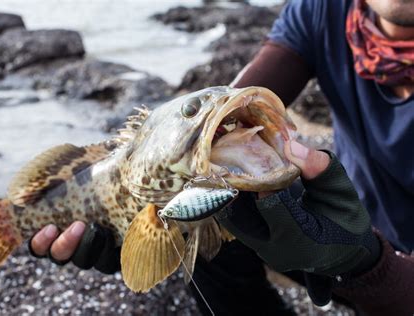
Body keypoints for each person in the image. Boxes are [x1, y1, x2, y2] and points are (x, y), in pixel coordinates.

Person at [30, 0, 414, 314]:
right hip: (338, 237)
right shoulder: (324, 10)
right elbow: (232, 101)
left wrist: (369, 264)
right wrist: (134, 212)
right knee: (203, 219)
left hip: (392, 272)